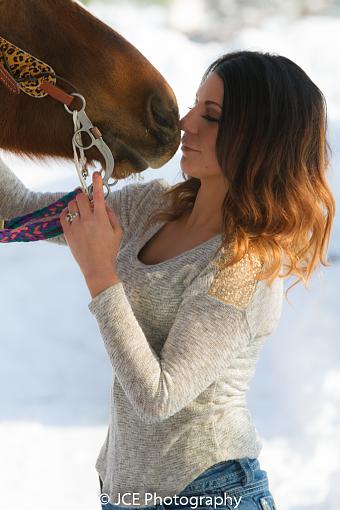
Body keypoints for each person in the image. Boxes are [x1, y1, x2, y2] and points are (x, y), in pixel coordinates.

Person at [0, 50, 335, 510]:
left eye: (211, 116)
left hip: (211, 494)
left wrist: (100, 273)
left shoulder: (243, 266)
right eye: (196, 105)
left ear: (258, 138)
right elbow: (17, 211)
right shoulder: (148, 209)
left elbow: (161, 395)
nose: (185, 123)